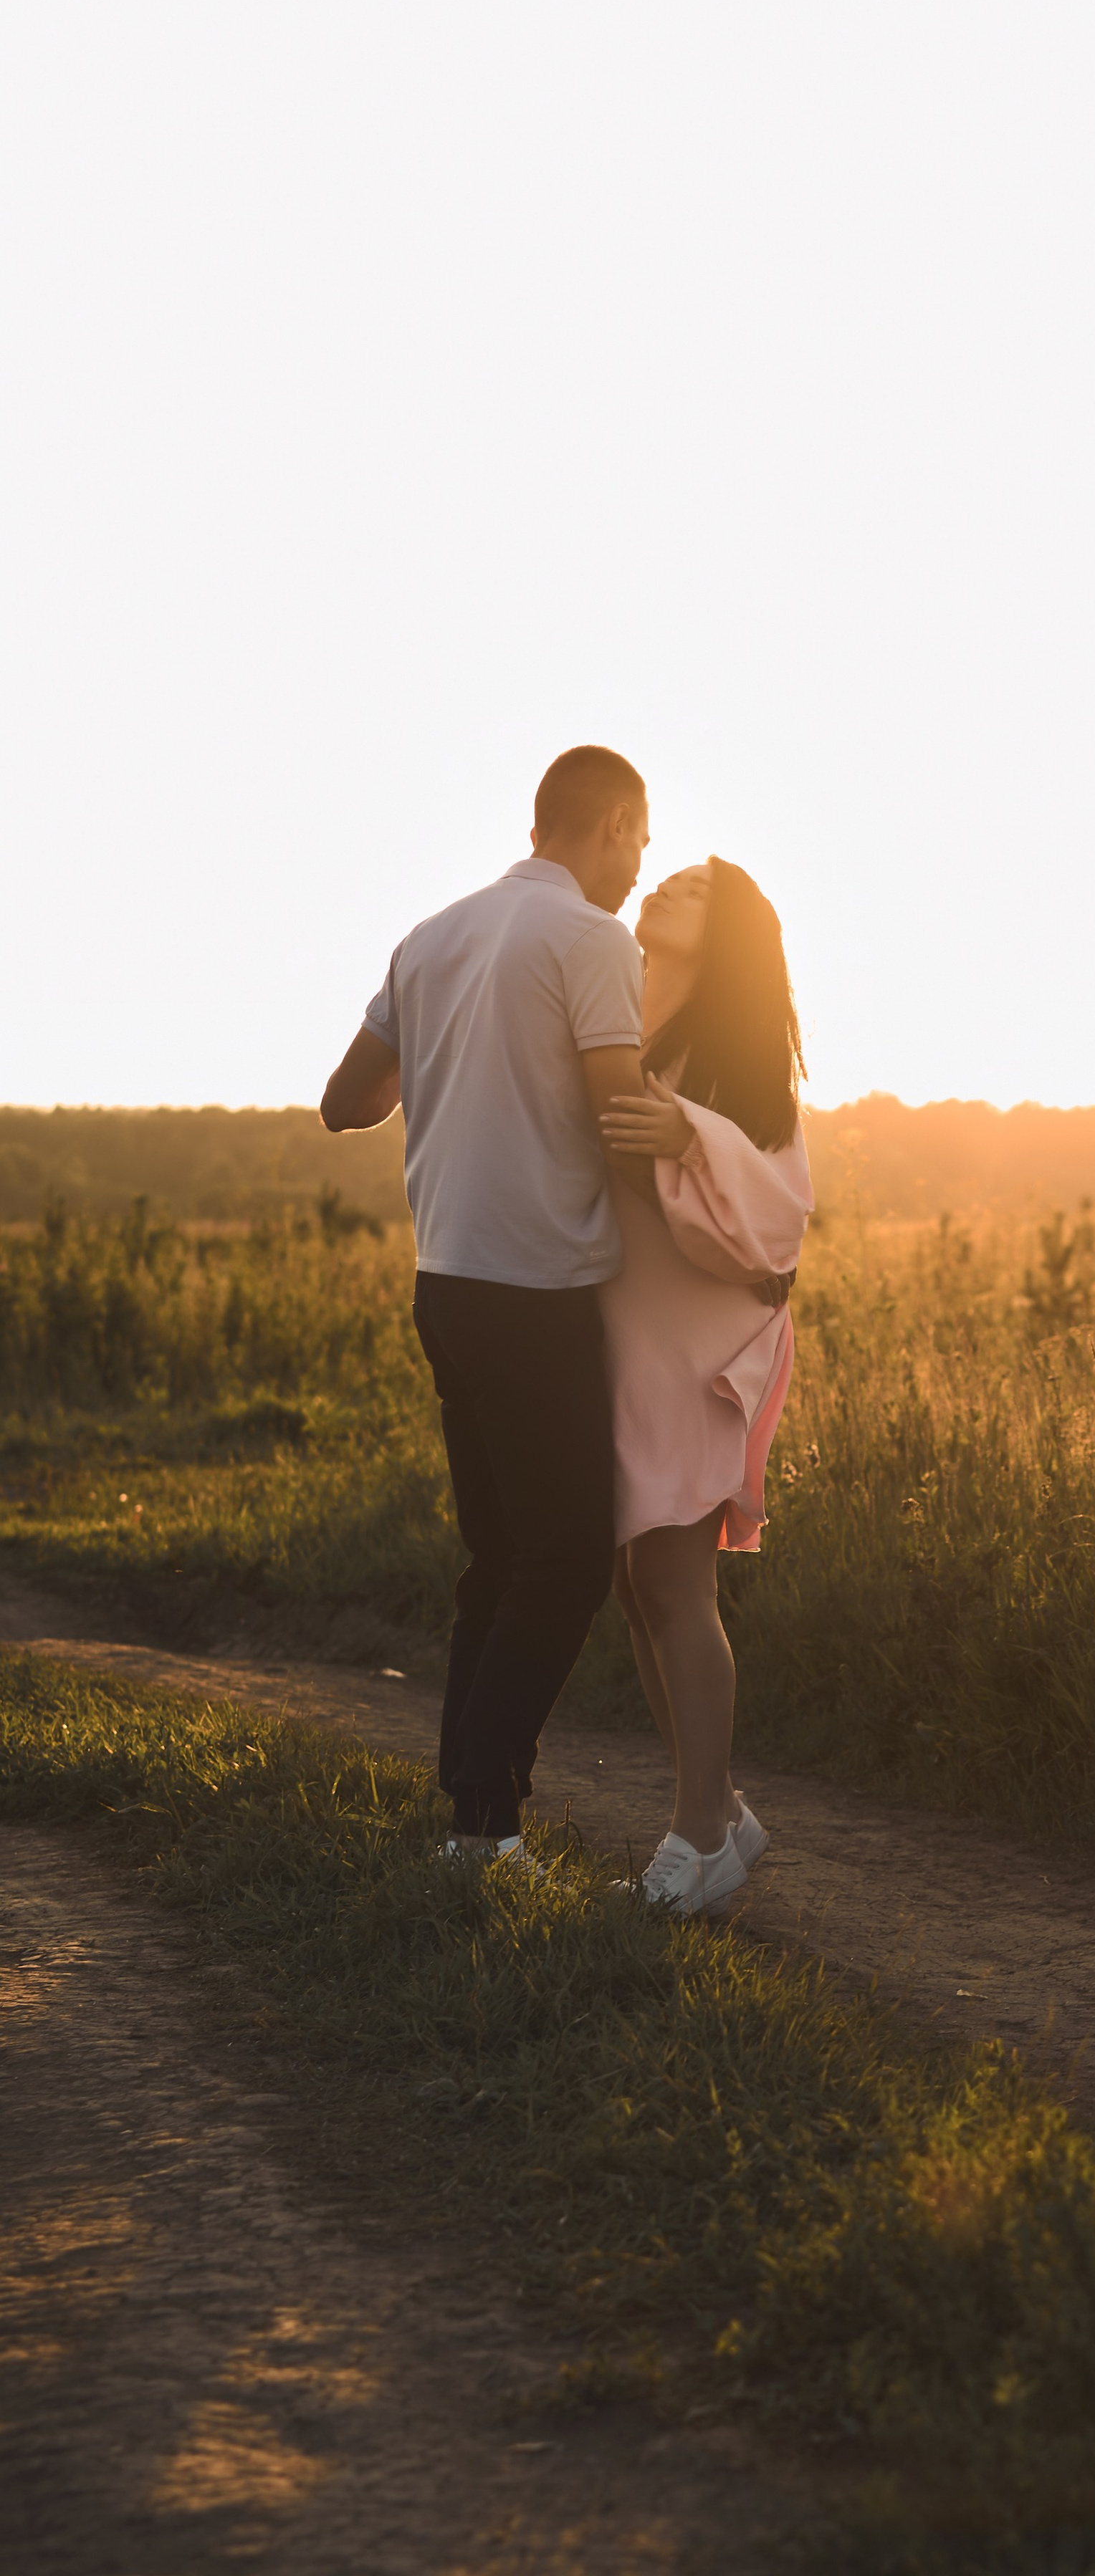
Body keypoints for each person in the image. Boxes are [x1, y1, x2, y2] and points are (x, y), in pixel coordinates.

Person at [319, 746, 650, 1863]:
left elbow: (346, 1102)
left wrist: (454, 1053)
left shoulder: (431, 938)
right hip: (537, 1292)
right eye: (642, 842)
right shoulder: (592, 940)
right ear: (613, 823)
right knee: (565, 1563)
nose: (640, 871)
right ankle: (484, 1818)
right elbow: (622, 1122)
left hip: (447, 1286)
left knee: (499, 1560)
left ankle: (467, 1818)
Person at [597, 857, 813, 1917]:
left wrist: (689, 1133)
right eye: (668, 876)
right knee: (638, 1584)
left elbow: (778, 1217)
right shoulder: (630, 1027)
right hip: (636, 1338)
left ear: (727, 934)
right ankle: (718, 1809)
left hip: (698, 1345)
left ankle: (698, 1840)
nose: (666, 887)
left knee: (678, 1584)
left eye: (694, 887)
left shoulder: (733, 1063)